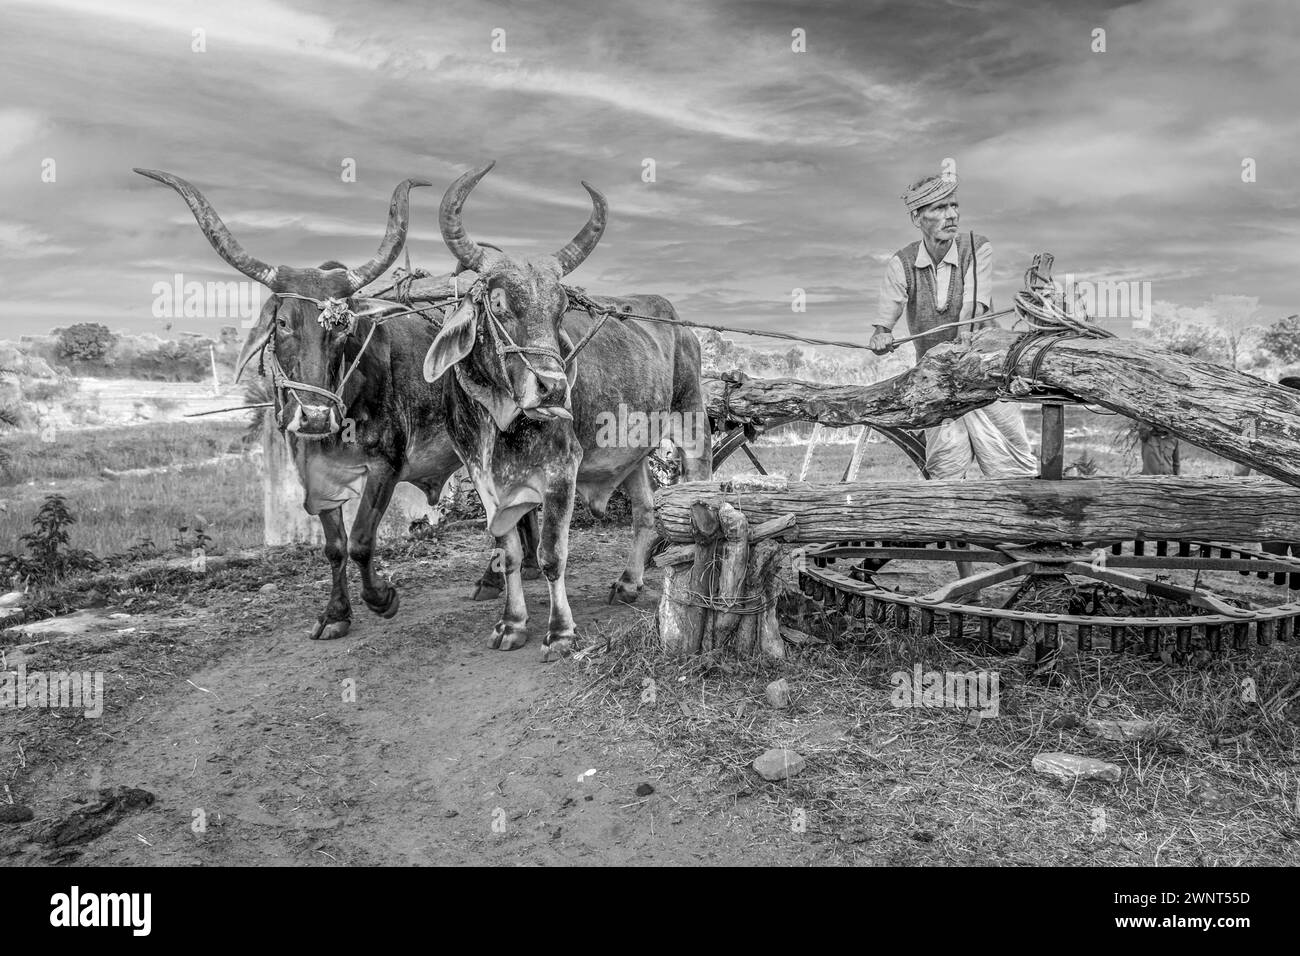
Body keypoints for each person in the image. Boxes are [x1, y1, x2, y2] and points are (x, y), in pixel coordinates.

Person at [870, 173, 1038, 481]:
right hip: (938, 384)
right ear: (916, 216)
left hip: (988, 376)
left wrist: (961, 349)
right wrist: (882, 334)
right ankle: (948, 526)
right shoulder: (902, 263)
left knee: (1011, 470)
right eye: (939, 208)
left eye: (954, 206)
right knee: (945, 470)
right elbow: (885, 321)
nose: (952, 215)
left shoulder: (976, 247)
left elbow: (973, 308)